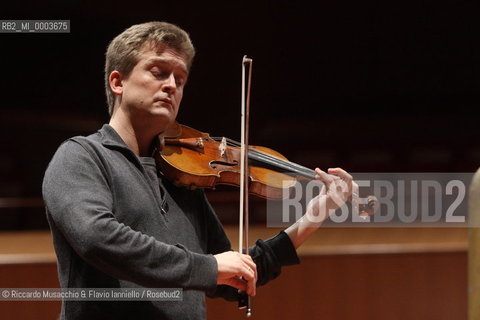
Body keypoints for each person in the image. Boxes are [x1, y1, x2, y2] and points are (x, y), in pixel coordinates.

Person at [42, 21, 357, 319]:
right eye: (159, 72)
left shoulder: (181, 176)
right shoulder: (81, 157)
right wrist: (207, 267)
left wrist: (315, 215)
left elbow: (233, 274)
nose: (171, 86)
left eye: (180, 80)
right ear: (118, 81)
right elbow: (98, 239)